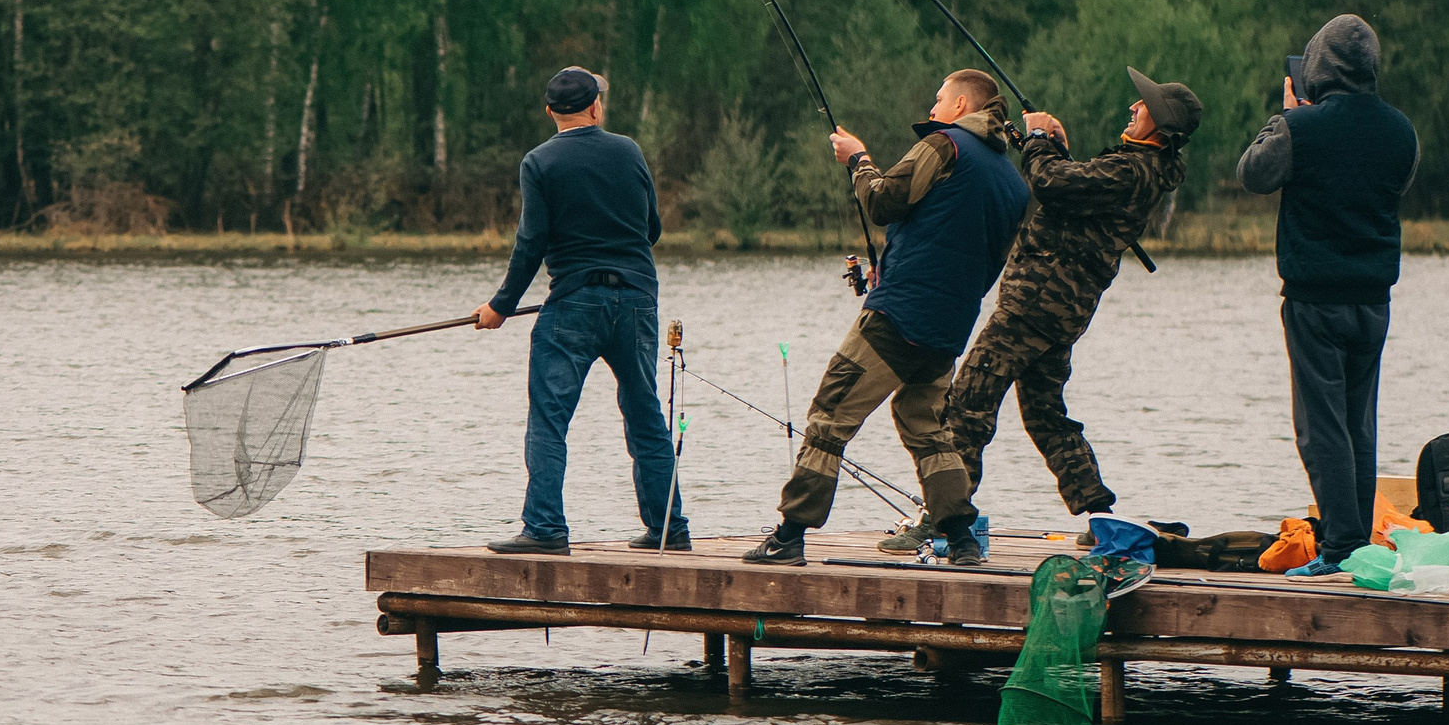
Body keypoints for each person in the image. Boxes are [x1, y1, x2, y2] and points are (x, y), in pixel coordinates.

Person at [745, 69, 1030, 568]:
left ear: (962, 106)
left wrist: (858, 159)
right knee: (926, 427)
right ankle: (962, 541)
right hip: (949, 326)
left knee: (830, 414)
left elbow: (882, 201)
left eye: (939, 99)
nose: (933, 108)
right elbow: (977, 254)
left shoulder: (945, 144)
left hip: (899, 315)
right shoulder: (1013, 182)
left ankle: (789, 536)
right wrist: (899, 266)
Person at [908, 69, 1200, 550]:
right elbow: (1074, 192)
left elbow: (1049, 183)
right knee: (1046, 415)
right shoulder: (1137, 166)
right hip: (1060, 310)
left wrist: (1040, 139)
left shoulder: (1134, 169)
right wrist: (1056, 146)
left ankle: (944, 520)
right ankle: (1101, 516)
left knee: (968, 403)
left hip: (1035, 303)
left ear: (1161, 126)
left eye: (1144, 105)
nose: (1133, 107)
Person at [1237, 14, 1419, 577]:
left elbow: (1252, 174)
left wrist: (1287, 117)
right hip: (1373, 301)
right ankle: (1356, 543)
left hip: (1315, 301)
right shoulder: (1402, 131)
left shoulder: (1300, 127)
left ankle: (1340, 548)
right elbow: (1396, 184)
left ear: (1318, 66)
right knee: (1359, 426)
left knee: (1320, 429)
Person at [475, 66, 681, 556]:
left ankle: (545, 529)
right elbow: (651, 228)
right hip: (636, 300)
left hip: (574, 304)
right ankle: (668, 529)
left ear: (551, 112)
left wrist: (500, 306)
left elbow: (531, 242)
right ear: (594, 108)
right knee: (645, 414)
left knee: (550, 419)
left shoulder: (538, 162)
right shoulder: (628, 150)